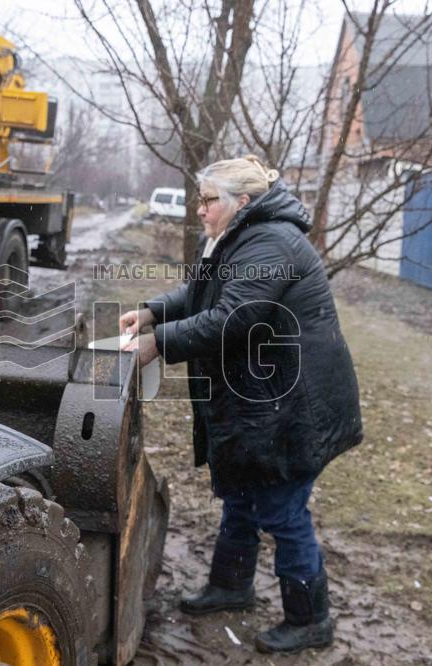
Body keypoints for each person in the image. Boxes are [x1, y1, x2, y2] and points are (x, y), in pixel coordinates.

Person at [120, 156, 363, 654]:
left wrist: (158, 343)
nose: (200, 209)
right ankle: (231, 586)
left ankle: (311, 619)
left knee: (282, 509)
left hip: (294, 404)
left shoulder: (271, 243)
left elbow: (232, 317)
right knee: (243, 492)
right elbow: (202, 293)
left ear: (242, 202)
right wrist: (152, 313)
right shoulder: (238, 237)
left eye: (209, 200)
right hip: (266, 397)